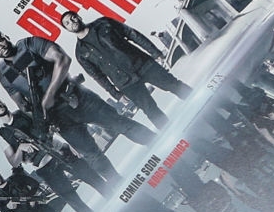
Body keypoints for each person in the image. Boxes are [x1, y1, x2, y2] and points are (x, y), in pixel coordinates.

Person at [0, 28, 153, 184]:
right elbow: (22, 105)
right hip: (59, 119)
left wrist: (49, 94)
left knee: (121, 124)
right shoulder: (4, 76)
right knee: (92, 156)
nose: (0, 47)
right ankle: (120, 185)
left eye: (0, 41)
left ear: (6, 37)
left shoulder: (29, 44)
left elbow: (62, 59)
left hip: (78, 98)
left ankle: (158, 144)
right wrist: (43, 121)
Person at [60, 11, 191, 128]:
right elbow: (98, 76)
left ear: (78, 17)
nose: (72, 22)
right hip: (125, 83)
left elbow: (132, 34)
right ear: (67, 29)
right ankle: (176, 135)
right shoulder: (80, 53)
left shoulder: (104, 23)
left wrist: (155, 52)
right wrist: (116, 94)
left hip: (142, 64)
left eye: (72, 18)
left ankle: (202, 106)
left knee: (174, 85)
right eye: (67, 23)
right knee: (150, 110)